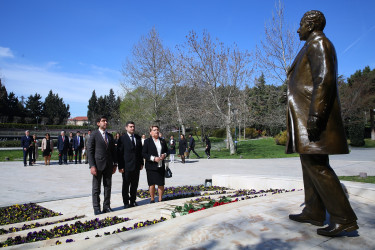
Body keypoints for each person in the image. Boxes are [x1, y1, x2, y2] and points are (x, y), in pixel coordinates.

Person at [286, 10, 358, 237]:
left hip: (313, 116)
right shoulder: (310, 45)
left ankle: (344, 218)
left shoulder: (320, 44)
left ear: (311, 24)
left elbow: (324, 79)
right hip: (305, 115)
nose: (298, 29)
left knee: (317, 165)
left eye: (300, 25)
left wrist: (315, 116)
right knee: (309, 162)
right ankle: (314, 210)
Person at [88, 115, 117, 215]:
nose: (105, 123)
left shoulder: (110, 136)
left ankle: (106, 206)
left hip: (109, 165)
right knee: (96, 188)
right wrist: (92, 165)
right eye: (103, 121)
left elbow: (113, 151)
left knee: (108, 187)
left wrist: (115, 164)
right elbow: (90, 151)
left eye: (106, 121)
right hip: (97, 166)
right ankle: (96, 208)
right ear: (98, 123)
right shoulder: (94, 135)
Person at [117, 121, 143, 208]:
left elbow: (140, 152)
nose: (132, 128)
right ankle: (126, 202)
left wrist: (141, 163)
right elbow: (119, 153)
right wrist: (120, 166)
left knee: (134, 185)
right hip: (126, 166)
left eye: (133, 127)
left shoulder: (138, 138)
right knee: (126, 185)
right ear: (126, 128)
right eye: (130, 127)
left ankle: (133, 200)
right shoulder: (122, 138)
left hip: (136, 166)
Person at [142, 125, 168, 203]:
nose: (156, 131)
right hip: (151, 166)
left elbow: (167, 151)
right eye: (154, 130)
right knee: (152, 183)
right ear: (150, 132)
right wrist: (153, 158)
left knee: (160, 183)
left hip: (160, 165)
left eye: (157, 130)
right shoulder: (147, 141)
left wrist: (165, 155)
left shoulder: (162, 141)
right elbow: (143, 154)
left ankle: (160, 199)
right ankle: (152, 199)